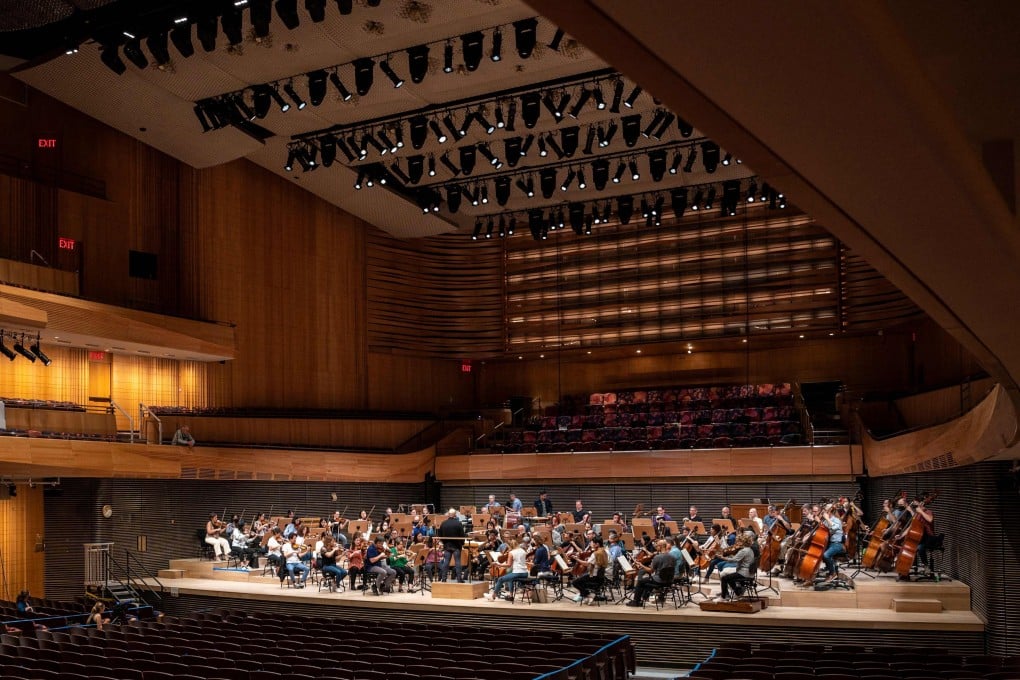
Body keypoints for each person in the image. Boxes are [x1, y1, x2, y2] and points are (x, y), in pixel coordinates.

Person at [627, 539, 676, 607]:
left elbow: (651, 570)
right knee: (647, 581)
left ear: (661, 546)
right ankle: (643, 599)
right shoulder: (672, 557)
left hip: (659, 580)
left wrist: (641, 565)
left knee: (641, 581)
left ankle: (636, 601)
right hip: (669, 580)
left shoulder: (657, 557)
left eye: (657, 546)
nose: (656, 547)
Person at [717, 533, 756, 601]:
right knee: (728, 577)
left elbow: (733, 560)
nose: (737, 543)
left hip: (743, 573)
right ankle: (738, 593)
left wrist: (722, 558)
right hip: (749, 573)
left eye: (739, 541)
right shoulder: (749, 549)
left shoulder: (743, 551)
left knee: (724, 578)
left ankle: (723, 597)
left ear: (743, 542)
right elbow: (737, 558)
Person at [571, 536, 609, 603]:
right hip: (601, 576)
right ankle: (586, 596)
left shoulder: (596, 553)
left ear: (597, 544)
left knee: (575, 582)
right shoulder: (604, 551)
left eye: (592, 543)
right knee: (582, 578)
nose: (590, 544)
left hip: (594, 577)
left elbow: (586, 564)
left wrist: (576, 559)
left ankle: (588, 595)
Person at [438, 508, 466, 582]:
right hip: (456, 546)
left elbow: (440, 535)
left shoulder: (443, 523)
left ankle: (443, 579)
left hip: (447, 545)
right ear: (455, 515)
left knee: (446, 562)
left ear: (449, 515)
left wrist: (444, 543)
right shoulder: (458, 523)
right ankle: (459, 579)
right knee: (457, 562)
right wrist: (462, 544)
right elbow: (462, 535)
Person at [821, 505, 846, 581]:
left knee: (826, 555)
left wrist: (827, 518)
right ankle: (829, 571)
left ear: (829, 511)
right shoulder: (825, 521)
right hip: (829, 544)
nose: (823, 512)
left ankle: (833, 573)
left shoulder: (836, 520)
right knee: (820, 554)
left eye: (825, 510)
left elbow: (834, 528)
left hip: (837, 544)